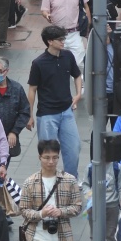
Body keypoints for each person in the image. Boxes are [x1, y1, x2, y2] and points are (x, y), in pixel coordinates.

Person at [27, 26, 84, 180]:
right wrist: (29, 115)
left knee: (74, 148)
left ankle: (71, 180)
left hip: (67, 112)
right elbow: (32, 89)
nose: (63, 42)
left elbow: (77, 75)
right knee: (48, 154)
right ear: (50, 41)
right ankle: (49, 181)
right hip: (47, 115)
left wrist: (78, 94)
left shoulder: (68, 56)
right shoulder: (38, 63)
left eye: (63, 38)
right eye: (60, 39)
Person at [41, 0, 91, 71]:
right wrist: (46, 15)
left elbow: (86, 7)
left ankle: (79, 81)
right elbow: (44, 10)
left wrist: (88, 24)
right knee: (59, 65)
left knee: (79, 63)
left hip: (75, 33)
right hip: (57, 35)